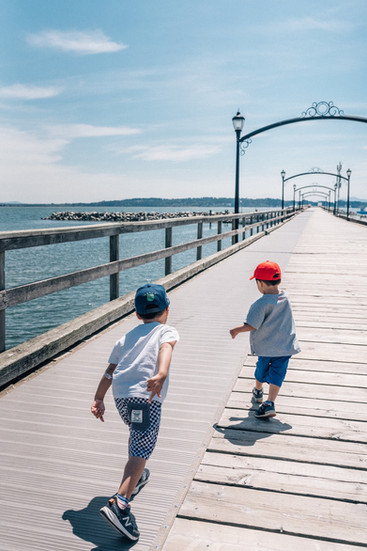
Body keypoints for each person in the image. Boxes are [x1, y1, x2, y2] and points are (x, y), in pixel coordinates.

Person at [91, 283, 179, 541]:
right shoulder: (166, 330)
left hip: (121, 397)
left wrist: (98, 397)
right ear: (167, 310)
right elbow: (166, 348)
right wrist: (161, 373)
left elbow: (110, 370)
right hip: (145, 398)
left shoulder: (125, 337)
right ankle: (120, 504)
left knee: (137, 435)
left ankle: (137, 477)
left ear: (138, 315)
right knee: (141, 448)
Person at [229, 260, 300, 419]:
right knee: (277, 374)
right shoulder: (285, 298)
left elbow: (252, 325)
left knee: (261, 369)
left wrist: (236, 330)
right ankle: (269, 402)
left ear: (260, 283)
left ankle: (258, 391)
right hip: (284, 347)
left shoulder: (260, 304)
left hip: (267, 346)